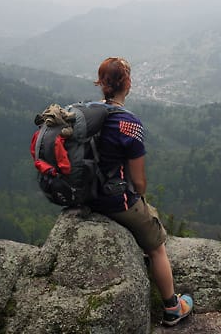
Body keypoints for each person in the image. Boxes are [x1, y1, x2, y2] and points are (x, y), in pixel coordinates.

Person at [89, 57, 193, 326]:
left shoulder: (86, 112)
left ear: (101, 84)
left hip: (87, 197)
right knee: (157, 245)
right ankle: (172, 308)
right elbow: (139, 182)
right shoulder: (129, 123)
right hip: (116, 201)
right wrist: (139, 197)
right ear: (128, 83)